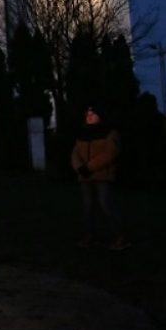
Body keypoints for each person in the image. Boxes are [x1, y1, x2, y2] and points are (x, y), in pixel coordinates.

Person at [71, 103, 129, 251]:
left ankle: (119, 236)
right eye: (87, 114)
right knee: (88, 207)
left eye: (92, 114)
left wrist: (89, 167)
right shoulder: (82, 134)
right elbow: (75, 153)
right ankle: (90, 235)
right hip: (85, 176)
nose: (89, 116)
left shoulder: (109, 133)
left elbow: (110, 153)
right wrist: (80, 168)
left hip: (102, 176)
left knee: (106, 205)